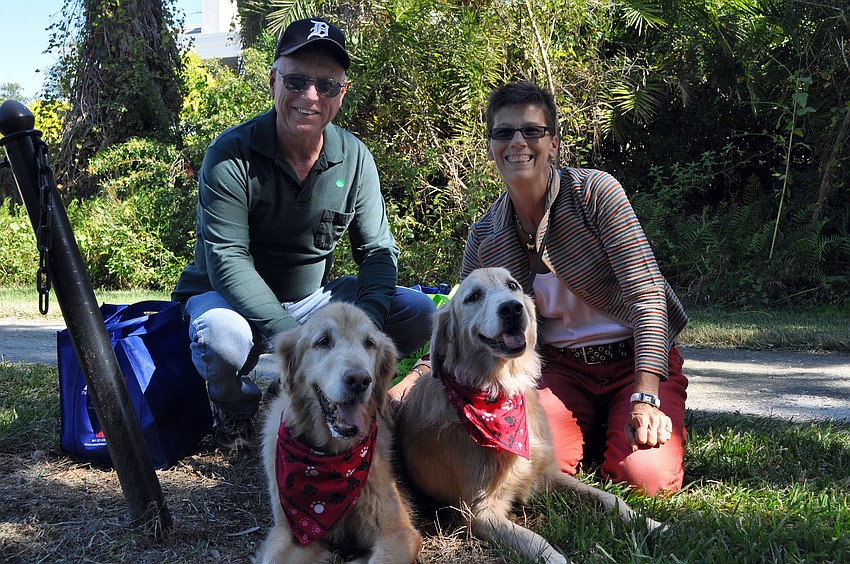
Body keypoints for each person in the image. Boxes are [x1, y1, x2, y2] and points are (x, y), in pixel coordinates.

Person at [392, 81, 688, 495]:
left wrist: (646, 395)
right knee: (528, 468)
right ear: (492, 145)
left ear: (552, 142)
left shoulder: (596, 194)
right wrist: (420, 372)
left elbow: (648, 295)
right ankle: (599, 424)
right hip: (561, 370)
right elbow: (464, 321)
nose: (518, 142)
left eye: (531, 131)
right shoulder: (484, 236)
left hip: (631, 361)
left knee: (646, 481)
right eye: (504, 132)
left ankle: (629, 413)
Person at [172, 17, 435, 452]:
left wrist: (361, 326)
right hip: (224, 296)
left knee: (416, 310)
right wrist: (291, 338)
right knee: (221, 338)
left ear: (341, 94)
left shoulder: (355, 157)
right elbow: (228, 260)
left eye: (327, 86)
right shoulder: (230, 154)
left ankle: (325, 393)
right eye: (296, 80)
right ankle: (236, 414)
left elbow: (376, 252)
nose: (310, 96)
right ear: (273, 80)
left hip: (311, 303)